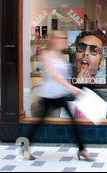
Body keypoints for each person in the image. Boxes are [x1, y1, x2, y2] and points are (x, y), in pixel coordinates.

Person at [25, 30, 94, 161]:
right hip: (49, 95)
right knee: (39, 123)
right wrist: (72, 88)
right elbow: (55, 75)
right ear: (53, 40)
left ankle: (82, 149)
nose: (63, 40)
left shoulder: (60, 54)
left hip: (60, 95)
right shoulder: (47, 55)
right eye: (60, 38)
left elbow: (64, 74)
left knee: (73, 122)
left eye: (64, 38)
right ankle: (25, 147)